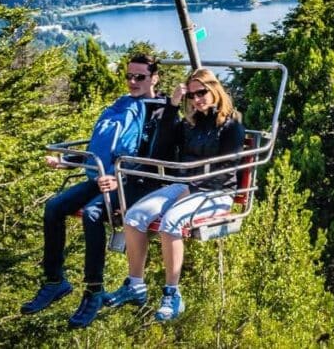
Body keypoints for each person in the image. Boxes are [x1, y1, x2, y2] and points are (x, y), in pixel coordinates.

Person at [20, 54, 169, 329]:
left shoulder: (158, 111)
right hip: (102, 175)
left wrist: (119, 178)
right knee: (54, 207)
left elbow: (153, 155)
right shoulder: (122, 105)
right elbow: (99, 148)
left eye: (140, 77)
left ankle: (93, 290)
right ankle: (55, 280)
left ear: (154, 78)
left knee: (91, 212)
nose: (133, 82)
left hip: (130, 182)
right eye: (129, 76)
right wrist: (67, 161)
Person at [105, 67, 245, 322]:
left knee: (171, 222)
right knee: (134, 216)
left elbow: (226, 170)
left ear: (214, 90)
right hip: (185, 184)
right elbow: (162, 147)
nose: (197, 99)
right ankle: (135, 285)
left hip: (217, 192)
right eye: (191, 95)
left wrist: (191, 188)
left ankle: (172, 294)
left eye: (201, 92)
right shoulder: (191, 122)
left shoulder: (231, 124)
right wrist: (172, 106)